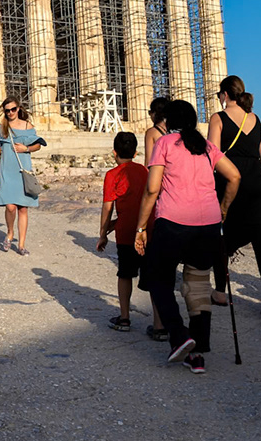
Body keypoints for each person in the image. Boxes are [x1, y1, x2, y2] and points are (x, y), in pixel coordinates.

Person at [134, 99, 241, 374]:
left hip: (173, 221)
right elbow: (235, 176)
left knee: (158, 279)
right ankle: (198, 352)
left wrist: (141, 227)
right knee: (198, 284)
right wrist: (223, 210)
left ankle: (179, 336)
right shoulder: (206, 147)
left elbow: (152, 188)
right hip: (208, 224)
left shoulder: (165, 143)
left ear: (168, 121)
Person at [209, 76, 261, 320]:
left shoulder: (218, 118)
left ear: (225, 95)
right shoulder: (256, 119)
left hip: (231, 180)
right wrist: (255, 173)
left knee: (223, 236)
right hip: (257, 182)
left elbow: (213, 154)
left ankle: (220, 292)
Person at [96, 132, 148, 332]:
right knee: (152, 276)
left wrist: (103, 234)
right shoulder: (144, 171)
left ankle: (125, 318)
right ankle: (160, 325)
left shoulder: (112, 175)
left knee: (125, 274)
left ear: (114, 153)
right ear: (136, 152)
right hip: (147, 229)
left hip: (126, 232)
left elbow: (107, 207)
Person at [0, 97, 42, 255]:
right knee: (10, 207)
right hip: (6, 171)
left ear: (18, 108)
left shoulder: (27, 126)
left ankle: (22, 244)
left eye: (13, 109)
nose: (10, 113)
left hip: (23, 169)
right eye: (7, 110)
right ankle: (10, 232)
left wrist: (26, 149)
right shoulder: (1, 128)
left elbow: (37, 145)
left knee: (23, 208)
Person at [144, 97, 170, 168]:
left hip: (160, 173)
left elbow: (148, 161)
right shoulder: (175, 131)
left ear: (154, 113)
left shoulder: (151, 132)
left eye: (150, 112)